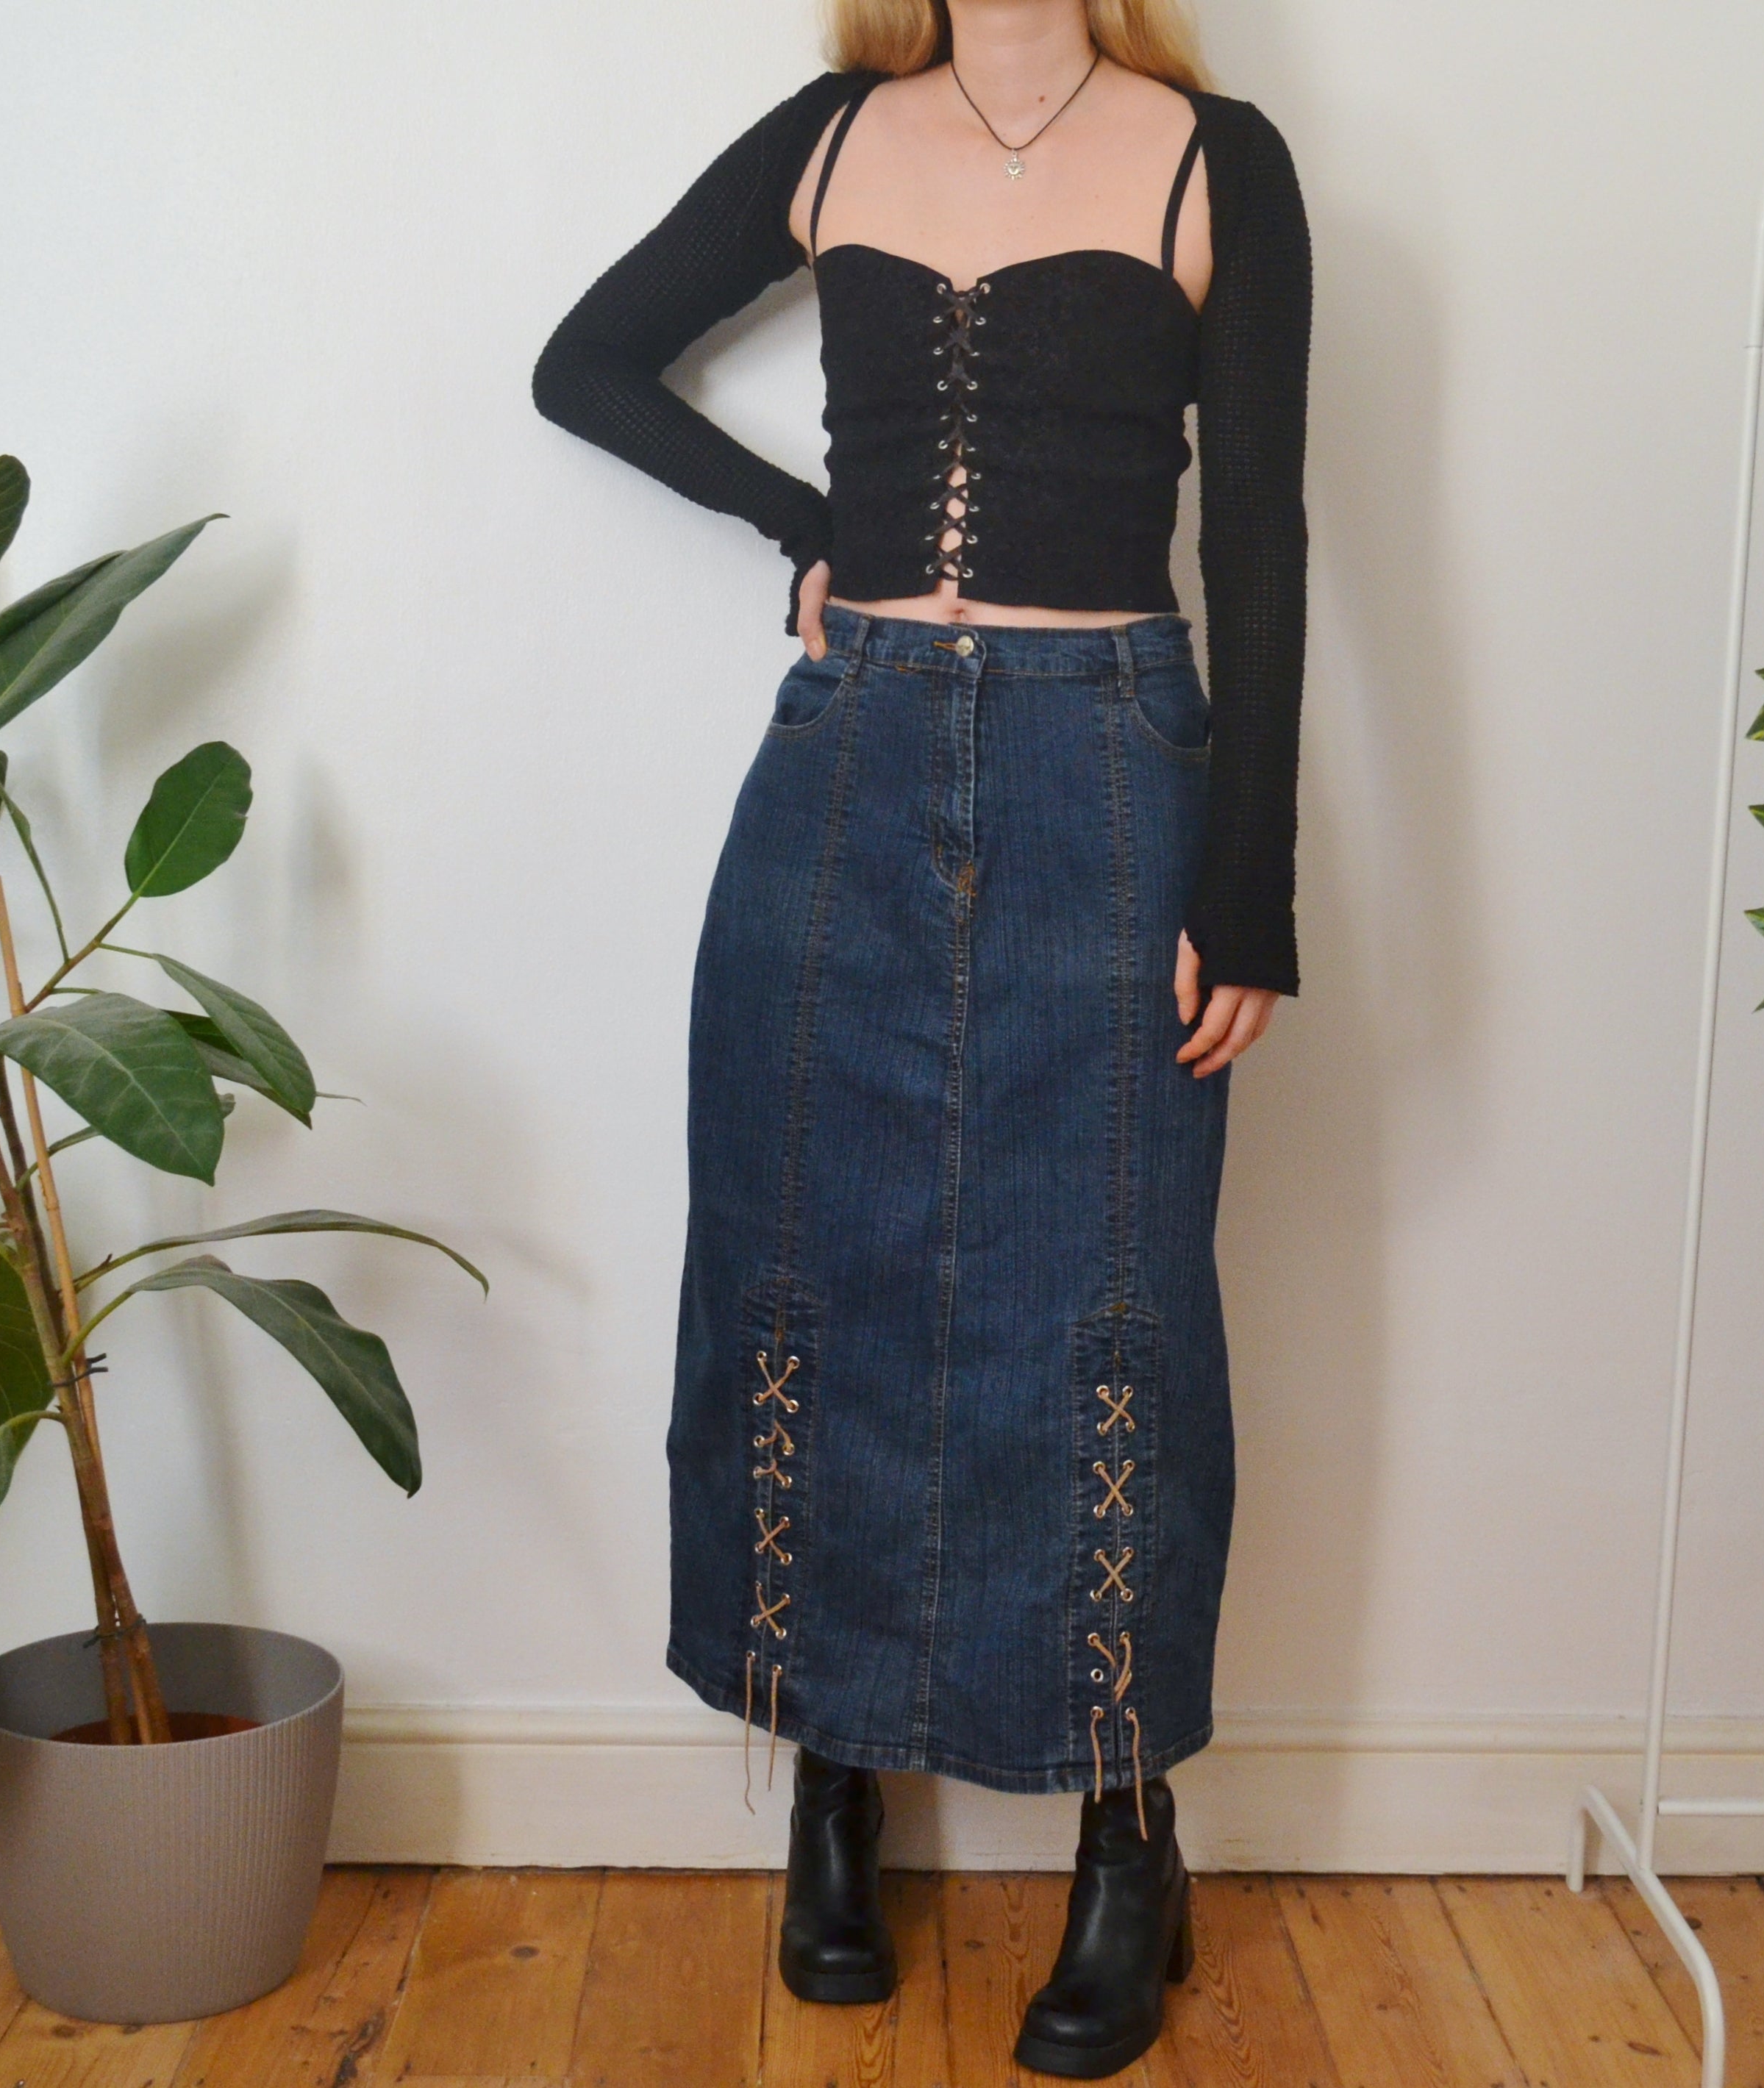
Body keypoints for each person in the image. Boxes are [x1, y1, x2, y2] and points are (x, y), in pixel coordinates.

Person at [533, 0, 1310, 2072]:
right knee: (815, 1257)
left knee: (1113, 1299)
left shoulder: (1215, 157)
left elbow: (1261, 534)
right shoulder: (831, 132)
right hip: (849, 761)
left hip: (1111, 766)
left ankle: (1129, 1831)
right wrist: (800, 526)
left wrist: (1250, 885)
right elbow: (583, 364)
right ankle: (833, 1783)